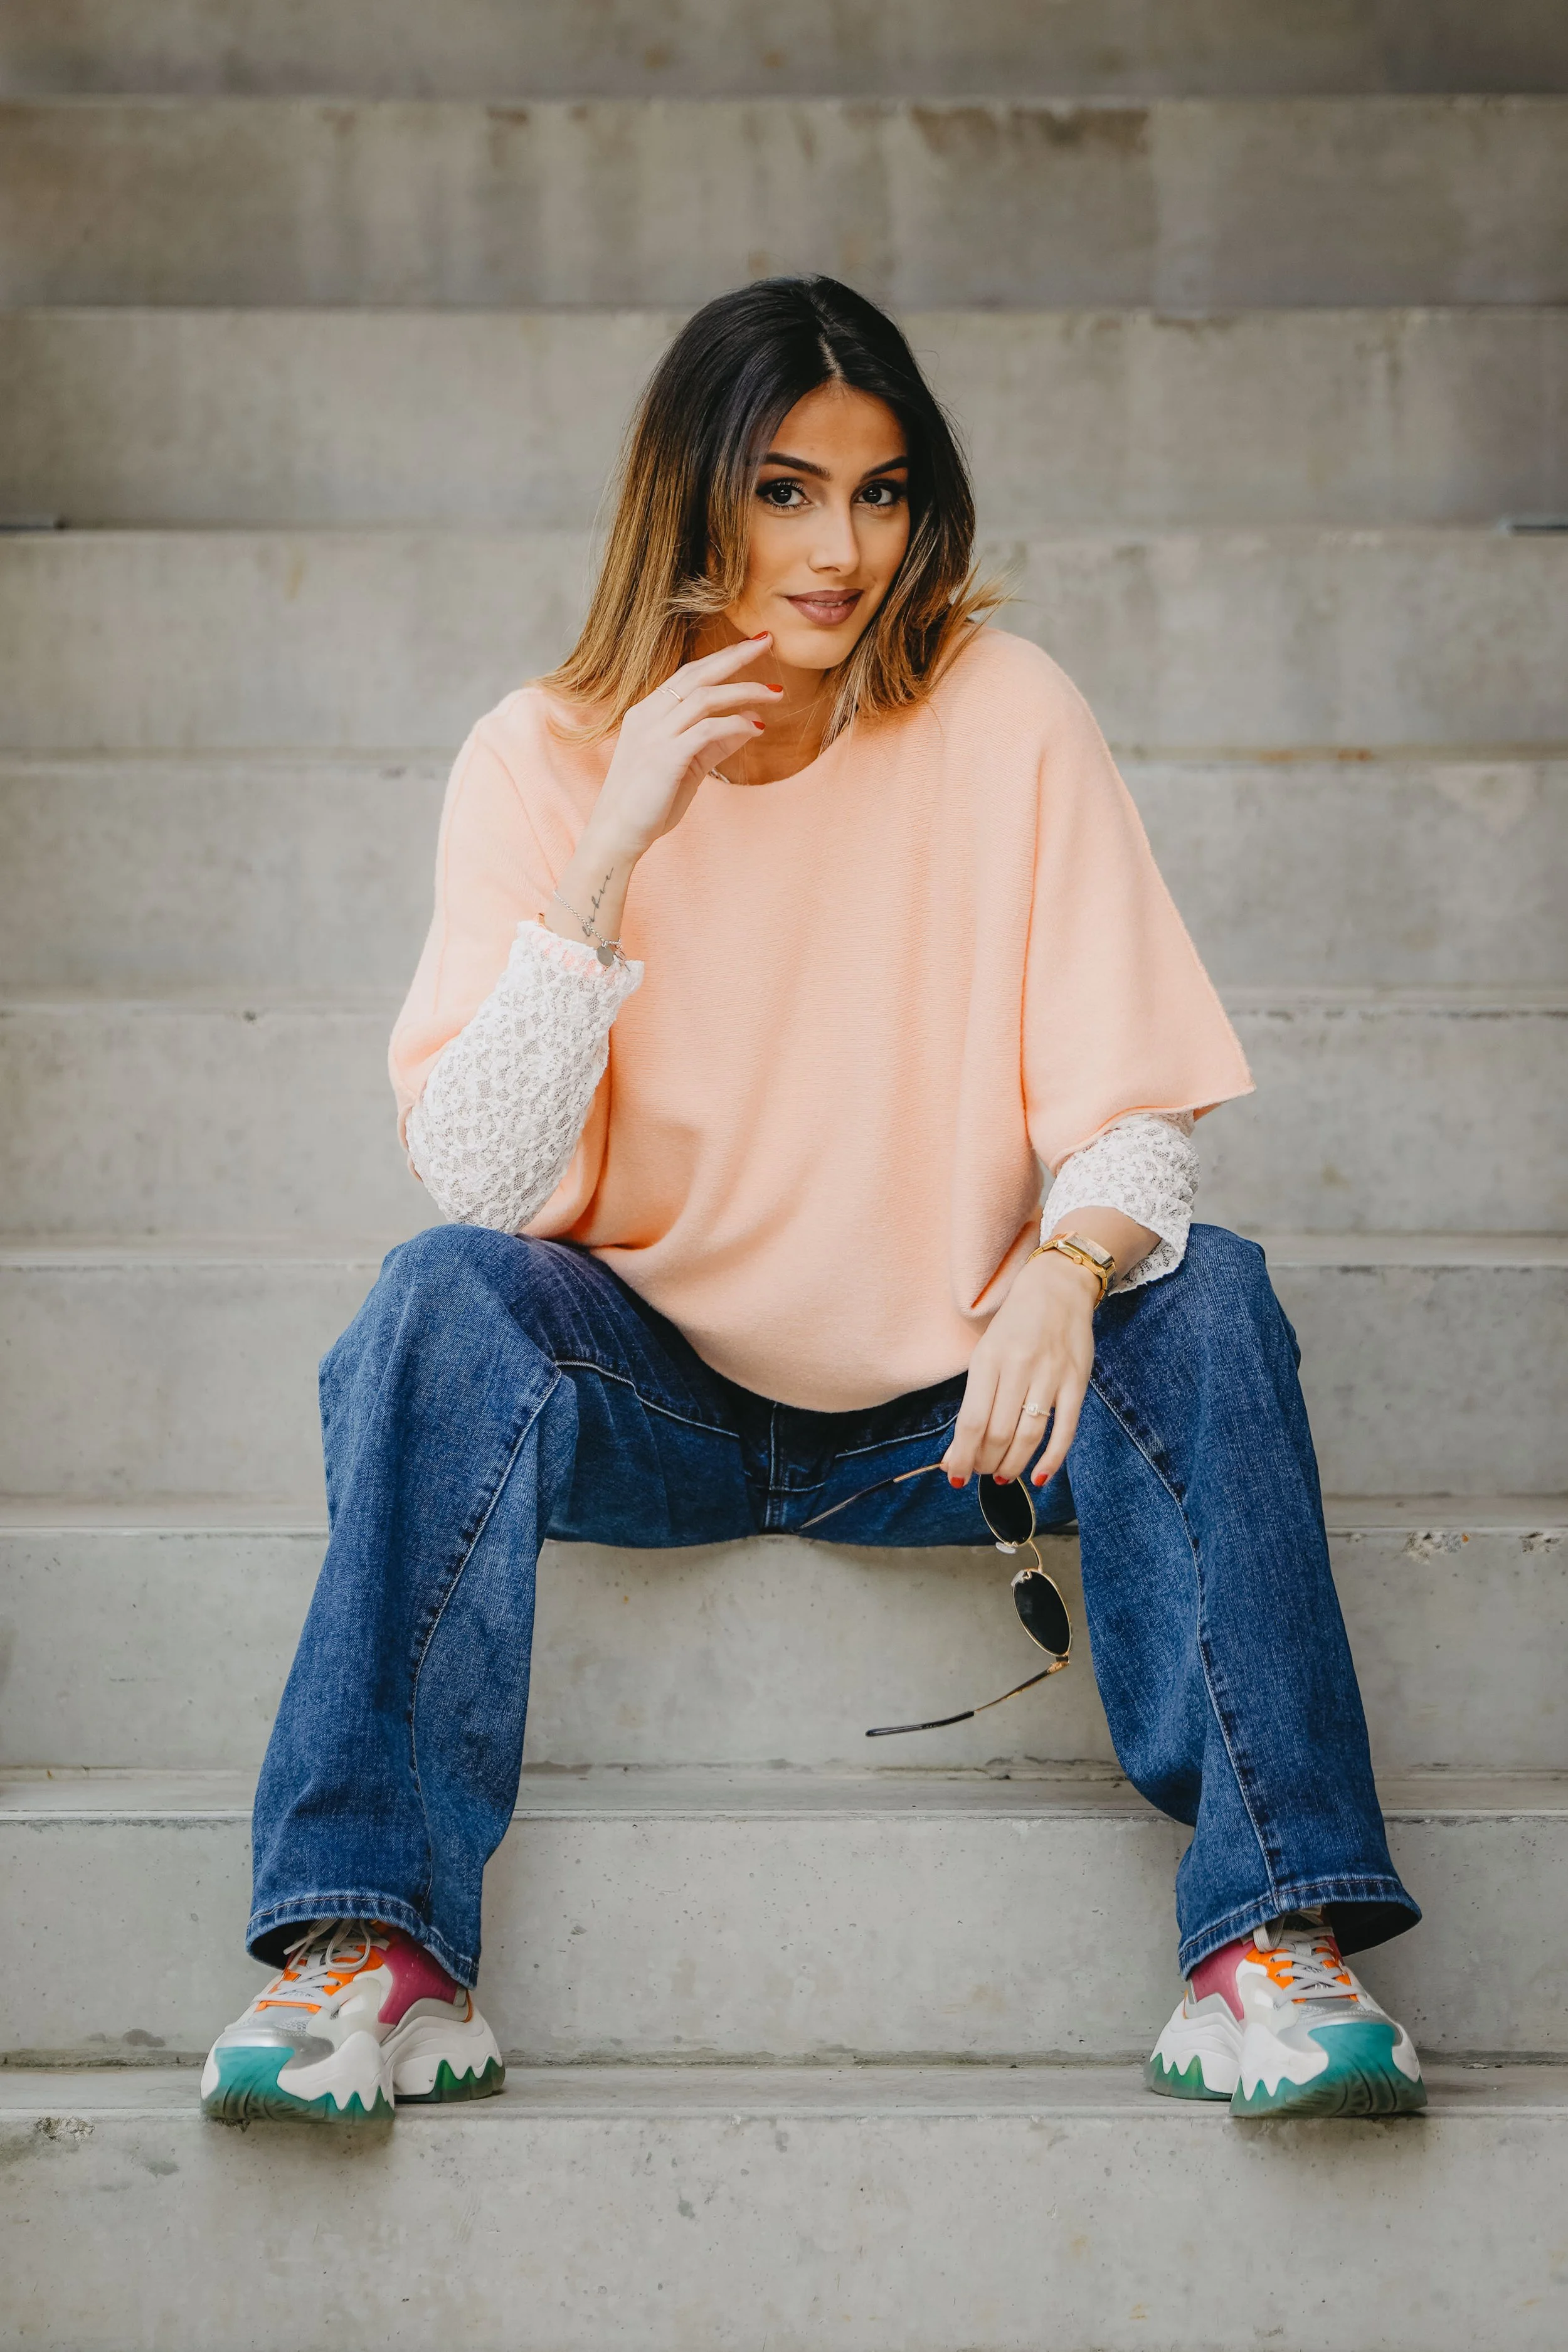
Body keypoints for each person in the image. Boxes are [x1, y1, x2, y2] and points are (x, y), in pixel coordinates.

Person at [202, 277, 1424, 2126]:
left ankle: (1274, 1942)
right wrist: (613, 849)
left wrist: (1066, 1267)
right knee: (434, 1293)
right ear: (689, 498)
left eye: (877, 490)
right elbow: (483, 1178)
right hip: (654, 1393)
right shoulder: (538, 758)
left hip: (953, 1412)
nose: (837, 546)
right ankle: (368, 1950)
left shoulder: (1001, 715)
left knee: (1207, 1282)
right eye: (783, 490)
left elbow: (1132, 1111)